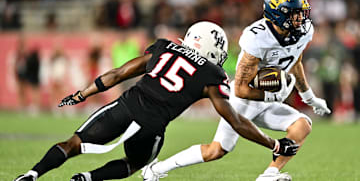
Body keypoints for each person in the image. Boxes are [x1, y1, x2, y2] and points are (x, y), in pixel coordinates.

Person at [13, 21, 299, 181]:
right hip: (152, 126)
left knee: (73, 144)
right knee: (133, 165)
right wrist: (274, 144)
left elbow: (117, 74)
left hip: (124, 107)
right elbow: (234, 121)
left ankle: (32, 175)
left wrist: (82, 94)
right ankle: (87, 179)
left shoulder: (165, 47)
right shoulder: (212, 74)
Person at [142, 0, 331, 181]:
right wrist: (271, 94)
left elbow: (296, 61)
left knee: (302, 125)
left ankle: (268, 175)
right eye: (295, 13)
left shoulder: (304, 31)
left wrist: (309, 97)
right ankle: (155, 170)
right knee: (217, 150)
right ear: (279, 14)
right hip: (244, 100)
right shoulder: (257, 38)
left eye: (302, 12)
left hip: (266, 101)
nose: (302, 18)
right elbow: (241, 89)